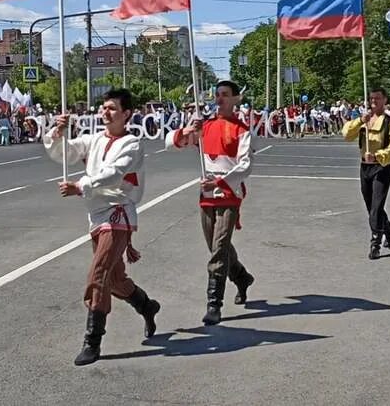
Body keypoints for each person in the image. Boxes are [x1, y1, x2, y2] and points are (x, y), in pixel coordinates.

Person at [44, 88, 160, 367]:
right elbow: (65, 154)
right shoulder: (94, 139)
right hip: (96, 215)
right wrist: (57, 132)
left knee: (98, 273)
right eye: (103, 107)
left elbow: (114, 174)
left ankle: (92, 340)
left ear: (126, 114)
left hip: (118, 214)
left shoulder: (132, 143)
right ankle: (146, 305)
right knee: (115, 279)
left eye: (111, 108)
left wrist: (80, 186)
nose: (104, 113)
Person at [172, 80, 255, 326]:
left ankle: (214, 304)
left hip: (228, 193)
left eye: (225, 95)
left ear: (235, 99)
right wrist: (188, 130)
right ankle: (241, 277)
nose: (219, 99)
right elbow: (177, 144)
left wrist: (219, 182)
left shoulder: (241, 129)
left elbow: (245, 165)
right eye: (217, 95)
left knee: (219, 247)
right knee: (217, 246)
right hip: (206, 195)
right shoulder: (205, 125)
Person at [342, 87, 390, 260]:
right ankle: (388, 229)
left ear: (384, 100)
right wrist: (360, 121)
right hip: (364, 167)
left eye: (377, 98)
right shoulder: (364, 120)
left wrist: (377, 155)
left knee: (376, 206)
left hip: (381, 167)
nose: (374, 102)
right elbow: (346, 135)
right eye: (371, 99)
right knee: (370, 206)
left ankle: (375, 241)